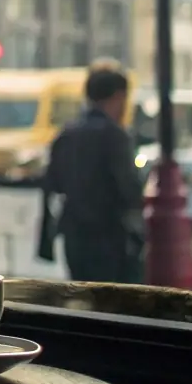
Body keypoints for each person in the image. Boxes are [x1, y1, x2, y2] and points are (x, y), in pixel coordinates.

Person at [38, 66, 145, 283]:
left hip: (74, 233)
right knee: (111, 301)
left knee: (82, 294)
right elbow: (129, 188)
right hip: (109, 234)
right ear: (118, 97)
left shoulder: (66, 134)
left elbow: (53, 183)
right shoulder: (115, 136)